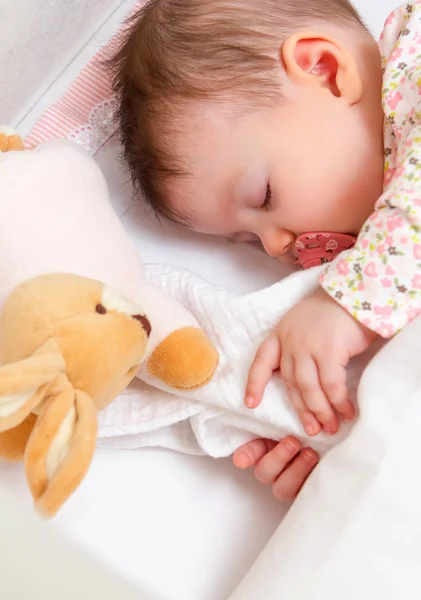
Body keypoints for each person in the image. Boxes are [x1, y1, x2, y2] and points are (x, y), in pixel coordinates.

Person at [111, 0, 421, 499]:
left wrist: (343, 303)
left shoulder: (413, 64)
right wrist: (326, 434)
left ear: (325, 70)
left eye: (263, 197)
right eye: (248, 240)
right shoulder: (376, 258)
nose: (277, 245)